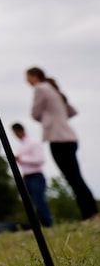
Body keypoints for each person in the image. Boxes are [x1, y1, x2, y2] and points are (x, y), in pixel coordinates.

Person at [26, 67, 98, 221]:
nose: (27, 81)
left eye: (28, 78)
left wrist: (48, 118)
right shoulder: (54, 89)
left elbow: (35, 114)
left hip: (57, 138)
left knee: (73, 178)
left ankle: (89, 214)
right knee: (76, 177)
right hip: (70, 137)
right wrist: (58, 116)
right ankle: (91, 212)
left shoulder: (40, 88)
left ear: (34, 76)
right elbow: (72, 111)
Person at [11, 122, 53, 227]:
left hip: (36, 176)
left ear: (19, 130)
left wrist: (21, 159)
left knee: (39, 201)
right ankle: (40, 224)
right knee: (32, 202)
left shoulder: (33, 143)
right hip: (26, 177)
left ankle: (47, 224)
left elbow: (40, 159)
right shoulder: (21, 145)